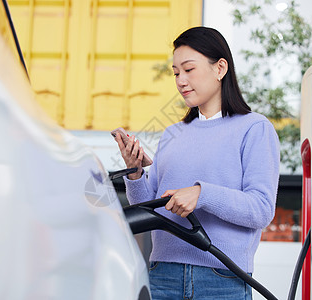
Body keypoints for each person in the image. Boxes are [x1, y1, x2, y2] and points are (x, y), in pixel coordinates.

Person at [114, 26, 280, 300]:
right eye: (176, 72)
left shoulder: (254, 128)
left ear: (220, 68)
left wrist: (202, 194)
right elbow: (148, 210)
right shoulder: (172, 135)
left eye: (189, 69)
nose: (180, 80)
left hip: (222, 278)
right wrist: (135, 173)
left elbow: (261, 209)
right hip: (162, 274)